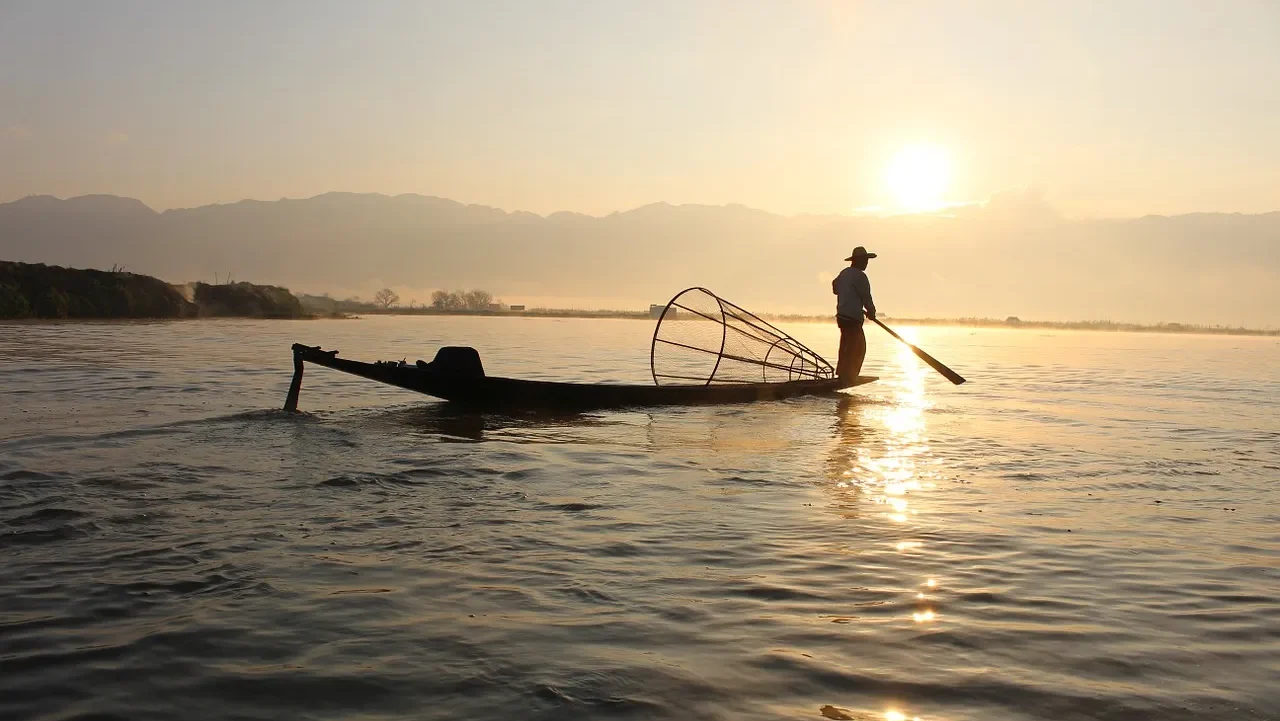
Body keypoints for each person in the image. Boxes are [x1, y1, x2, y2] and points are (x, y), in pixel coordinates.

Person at [831, 246, 877, 384]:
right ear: (858, 261)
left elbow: (835, 287)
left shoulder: (844, 273)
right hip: (852, 319)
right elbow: (866, 297)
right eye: (865, 260)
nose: (866, 263)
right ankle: (849, 376)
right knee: (858, 348)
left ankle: (842, 374)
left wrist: (847, 292)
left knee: (846, 346)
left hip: (842, 317)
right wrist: (871, 311)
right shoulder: (860, 276)